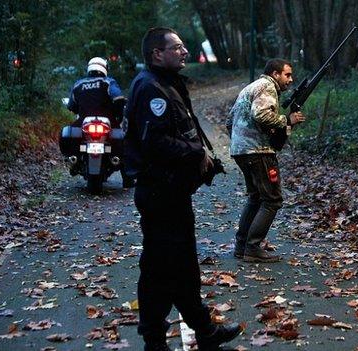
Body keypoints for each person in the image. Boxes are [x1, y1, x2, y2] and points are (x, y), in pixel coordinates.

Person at [123, 27, 241, 351]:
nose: (184, 51)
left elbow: (180, 129)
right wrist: (196, 152)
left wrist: (204, 157)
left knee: (182, 265)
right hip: (160, 194)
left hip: (173, 193)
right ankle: (156, 339)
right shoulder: (150, 87)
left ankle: (202, 328)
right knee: (160, 270)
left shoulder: (167, 83)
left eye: (182, 46)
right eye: (176, 47)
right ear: (156, 54)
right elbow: (155, 142)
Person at [226, 58, 305, 263]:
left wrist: (241, 141)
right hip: (258, 151)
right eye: (287, 74)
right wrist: (287, 120)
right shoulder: (267, 86)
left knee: (256, 197)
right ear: (275, 74)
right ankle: (252, 247)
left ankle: (242, 246)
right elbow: (261, 114)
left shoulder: (252, 87)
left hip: (241, 150)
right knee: (272, 199)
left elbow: (229, 121)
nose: (290, 79)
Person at [66, 57, 134, 188]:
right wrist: (119, 115)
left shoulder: (78, 84)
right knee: (126, 142)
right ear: (104, 68)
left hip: (83, 122)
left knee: (69, 134)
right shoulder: (108, 82)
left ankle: (73, 161)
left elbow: (71, 106)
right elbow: (119, 99)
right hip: (108, 122)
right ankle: (128, 178)